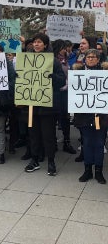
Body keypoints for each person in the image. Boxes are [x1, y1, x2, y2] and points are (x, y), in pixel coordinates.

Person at [23, 33, 65, 176]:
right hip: (31, 105)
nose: (36, 44)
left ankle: (51, 161)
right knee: (33, 134)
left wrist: (53, 77)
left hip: (47, 105)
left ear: (45, 45)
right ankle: (34, 160)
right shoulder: (26, 60)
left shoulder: (53, 61)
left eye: (39, 42)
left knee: (48, 135)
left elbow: (61, 81)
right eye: (34, 42)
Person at [72, 48, 107, 184]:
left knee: (99, 143)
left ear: (98, 59)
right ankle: (87, 170)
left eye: (94, 57)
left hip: (101, 114)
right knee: (86, 143)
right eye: (88, 57)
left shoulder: (105, 73)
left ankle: (98, 171)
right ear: (85, 59)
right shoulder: (78, 73)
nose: (91, 59)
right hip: (84, 114)